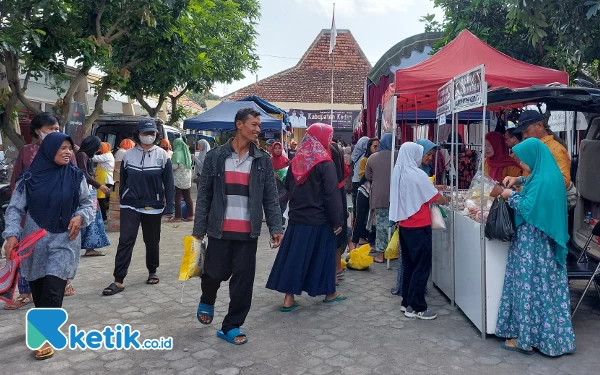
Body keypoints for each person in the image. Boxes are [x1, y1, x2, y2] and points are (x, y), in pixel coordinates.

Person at [193, 108, 283, 345]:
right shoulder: (215, 157)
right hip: (218, 230)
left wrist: (276, 227)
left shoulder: (262, 159)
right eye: (254, 124)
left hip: (247, 232)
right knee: (213, 274)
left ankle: (231, 325)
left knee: (243, 282)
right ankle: (208, 298)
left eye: (259, 125)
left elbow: (270, 197)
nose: (258, 129)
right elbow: (204, 196)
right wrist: (198, 230)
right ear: (239, 124)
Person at [3, 132, 94, 359]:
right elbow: (14, 209)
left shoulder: (76, 177)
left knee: (54, 286)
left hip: (65, 240)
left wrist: (80, 216)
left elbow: (87, 203)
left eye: (69, 148)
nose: (67, 152)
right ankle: (41, 326)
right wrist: (12, 234)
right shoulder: (29, 179)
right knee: (40, 289)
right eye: (61, 148)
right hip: (34, 244)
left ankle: (44, 337)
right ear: (48, 150)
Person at [496, 138, 575, 356]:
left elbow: (529, 207)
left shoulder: (542, 181)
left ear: (534, 157)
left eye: (523, 160)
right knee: (544, 291)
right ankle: (546, 338)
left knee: (527, 288)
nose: (521, 163)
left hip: (532, 245)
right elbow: (534, 181)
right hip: (543, 246)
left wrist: (510, 196)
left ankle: (525, 339)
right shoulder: (548, 175)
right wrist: (519, 178)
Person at [266, 123, 345, 311]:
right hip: (319, 220)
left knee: (295, 257)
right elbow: (331, 195)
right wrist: (337, 220)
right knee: (324, 258)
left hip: (296, 218)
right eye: (329, 136)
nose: (330, 140)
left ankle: (288, 298)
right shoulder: (325, 163)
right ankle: (330, 293)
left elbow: (289, 187)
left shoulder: (296, 161)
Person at [102, 119, 175, 295]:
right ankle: (118, 280)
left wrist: (170, 206)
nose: (148, 136)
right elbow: (124, 179)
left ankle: (152, 271)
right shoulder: (128, 155)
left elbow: (169, 183)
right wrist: (122, 197)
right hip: (131, 205)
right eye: (145, 133)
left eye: (152, 133)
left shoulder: (162, 156)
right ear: (138, 134)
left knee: (151, 240)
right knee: (126, 240)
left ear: (156, 135)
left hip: (153, 205)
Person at [5, 112, 61, 310]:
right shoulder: (27, 151)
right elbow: (17, 184)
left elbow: (75, 182)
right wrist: (16, 221)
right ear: (38, 131)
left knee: (53, 270)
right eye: (50, 129)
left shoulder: (64, 151)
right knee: (27, 259)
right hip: (30, 218)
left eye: (57, 129)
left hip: (57, 220)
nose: (55, 132)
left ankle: (48, 318)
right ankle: (26, 293)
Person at [389, 142, 449, 320]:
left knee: (409, 266)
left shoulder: (399, 173)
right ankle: (417, 307)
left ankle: (406, 302)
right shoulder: (417, 174)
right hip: (419, 226)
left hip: (405, 226)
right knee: (421, 267)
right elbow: (436, 198)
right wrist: (445, 199)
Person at [512, 110, 571, 189]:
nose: (524, 136)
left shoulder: (556, 149)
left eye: (526, 131)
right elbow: (531, 180)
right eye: (522, 133)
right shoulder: (532, 150)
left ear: (540, 125)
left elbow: (563, 182)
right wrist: (519, 181)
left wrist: (534, 170)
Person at [76, 136, 111, 258]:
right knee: (91, 218)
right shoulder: (82, 155)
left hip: (89, 190)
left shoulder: (82, 155)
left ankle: (90, 247)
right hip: (86, 192)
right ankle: (89, 247)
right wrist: (99, 185)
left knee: (93, 218)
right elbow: (84, 174)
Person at [366, 133, 395, 264]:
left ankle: (380, 254)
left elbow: (368, 176)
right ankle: (393, 252)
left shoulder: (372, 158)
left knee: (381, 226)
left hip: (379, 196)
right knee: (394, 225)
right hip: (395, 196)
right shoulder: (398, 156)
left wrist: (378, 178)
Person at [169, 138, 194, 222]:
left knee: (177, 197)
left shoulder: (177, 153)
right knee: (188, 197)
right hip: (187, 178)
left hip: (179, 179)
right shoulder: (187, 152)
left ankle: (177, 217)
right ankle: (191, 215)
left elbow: (174, 166)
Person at [93, 142, 115, 222]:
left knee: (101, 199)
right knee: (102, 199)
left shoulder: (106, 156)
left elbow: (94, 158)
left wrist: (86, 152)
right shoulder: (107, 155)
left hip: (105, 180)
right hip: (104, 179)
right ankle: (103, 216)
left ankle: (104, 217)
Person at [271, 141, 290, 227]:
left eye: (279, 148)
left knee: (283, 205)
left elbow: (290, 172)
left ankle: (281, 223)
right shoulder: (269, 161)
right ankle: (276, 224)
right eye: (275, 148)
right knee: (275, 206)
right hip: (273, 187)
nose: (277, 150)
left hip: (284, 187)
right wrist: (273, 174)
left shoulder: (286, 161)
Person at [351, 137, 369, 221]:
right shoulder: (365, 156)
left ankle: (354, 223)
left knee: (355, 205)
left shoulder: (356, 154)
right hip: (362, 183)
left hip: (354, 181)